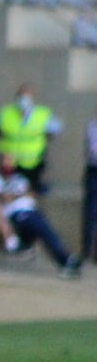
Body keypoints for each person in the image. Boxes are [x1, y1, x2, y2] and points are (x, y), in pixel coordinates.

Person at [0, 153, 81, 279]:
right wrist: (20, 194)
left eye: (10, 161)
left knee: (48, 232)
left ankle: (66, 260)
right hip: (18, 214)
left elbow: (31, 194)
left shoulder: (19, 178)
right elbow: (5, 198)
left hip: (31, 211)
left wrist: (19, 194)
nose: (8, 164)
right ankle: (66, 259)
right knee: (43, 231)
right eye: (6, 161)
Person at [0, 83, 60, 195]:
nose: (24, 100)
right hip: (10, 163)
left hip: (33, 162)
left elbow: (55, 130)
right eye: (21, 96)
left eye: (27, 97)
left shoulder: (41, 114)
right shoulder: (6, 113)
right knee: (9, 192)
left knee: (31, 193)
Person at [83, 109, 97, 262]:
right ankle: (87, 251)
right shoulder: (93, 127)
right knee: (91, 213)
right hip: (94, 172)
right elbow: (93, 151)